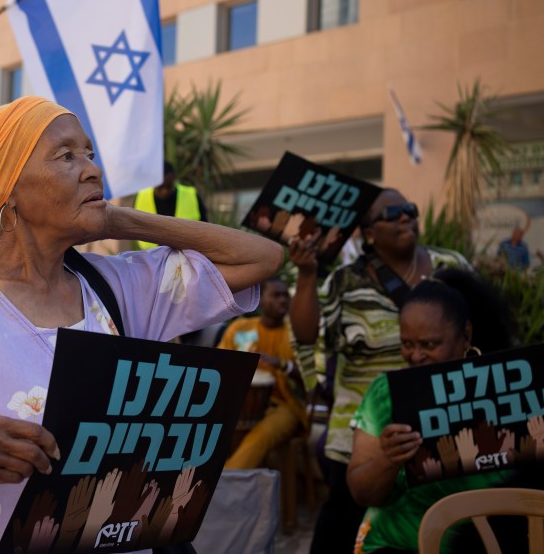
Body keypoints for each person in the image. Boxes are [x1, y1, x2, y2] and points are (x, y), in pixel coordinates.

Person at [0, 96, 283, 553]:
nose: (92, 169)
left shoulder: (117, 286)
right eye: (66, 156)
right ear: (6, 186)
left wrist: (116, 219)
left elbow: (263, 258)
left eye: (90, 154)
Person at [288, 189, 471, 554]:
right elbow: (307, 336)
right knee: (344, 533)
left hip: (442, 425)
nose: (405, 217)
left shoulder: (452, 267)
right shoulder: (345, 281)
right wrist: (307, 276)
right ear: (368, 232)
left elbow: (483, 334)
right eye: (393, 214)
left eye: (410, 209)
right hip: (361, 438)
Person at [348, 269, 515, 553]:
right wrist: (389, 460)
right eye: (407, 344)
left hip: (488, 542)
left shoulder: (507, 386)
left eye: (429, 344)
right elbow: (361, 492)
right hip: (396, 543)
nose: (415, 356)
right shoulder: (386, 393)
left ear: (465, 335)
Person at [219, 277, 308, 469]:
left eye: (285, 296)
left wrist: (282, 365)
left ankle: (226, 480)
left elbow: (310, 381)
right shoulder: (239, 328)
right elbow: (218, 365)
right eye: (276, 295)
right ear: (260, 300)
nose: (283, 300)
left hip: (285, 406)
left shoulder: (297, 335)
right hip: (237, 403)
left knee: (262, 435)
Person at [133, 161, 209, 249]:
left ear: (174, 179)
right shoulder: (141, 196)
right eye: (160, 188)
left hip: (188, 257)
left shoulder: (191, 195)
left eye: (169, 187)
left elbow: (205, 227)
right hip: (150, 258)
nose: (165, 191)